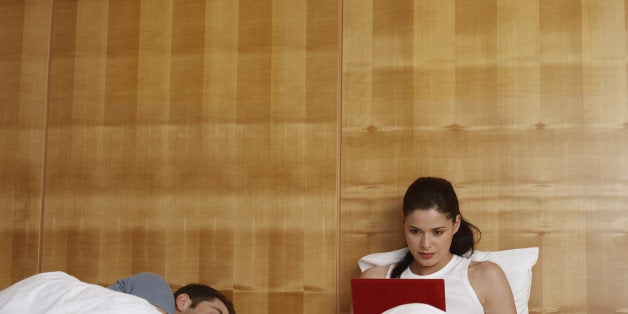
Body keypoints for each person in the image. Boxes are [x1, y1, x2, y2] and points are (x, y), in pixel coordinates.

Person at [359, 177, 516, 314]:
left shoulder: (484, 276)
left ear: (456, 224)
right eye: (415, 231)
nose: (425, 244)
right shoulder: (375, 280)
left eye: (437, 232)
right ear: (403, 222)